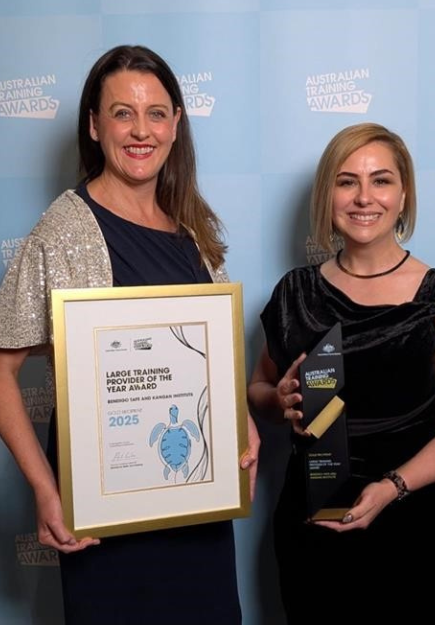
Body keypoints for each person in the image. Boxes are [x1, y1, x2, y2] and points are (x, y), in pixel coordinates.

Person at [0, 45, 259, 624]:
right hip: (106, 520)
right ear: (94, 126)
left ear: (176, 124)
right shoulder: (64, 229)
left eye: (156, 113)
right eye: (122, 113)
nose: (141, 130)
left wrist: (238, 420)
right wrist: (46, 489)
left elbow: (207, 358)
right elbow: (1, 372)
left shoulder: (193, 226)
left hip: (199, 511)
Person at [248, 122, 435, 623]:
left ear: (403, 195)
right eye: (347, 181)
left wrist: (392, 487)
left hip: (423, 532)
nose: (364, 197)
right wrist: (278, 401)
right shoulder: (293, 292)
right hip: (314, 530)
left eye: (381, 180)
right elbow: (258, 390)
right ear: (328, 195)